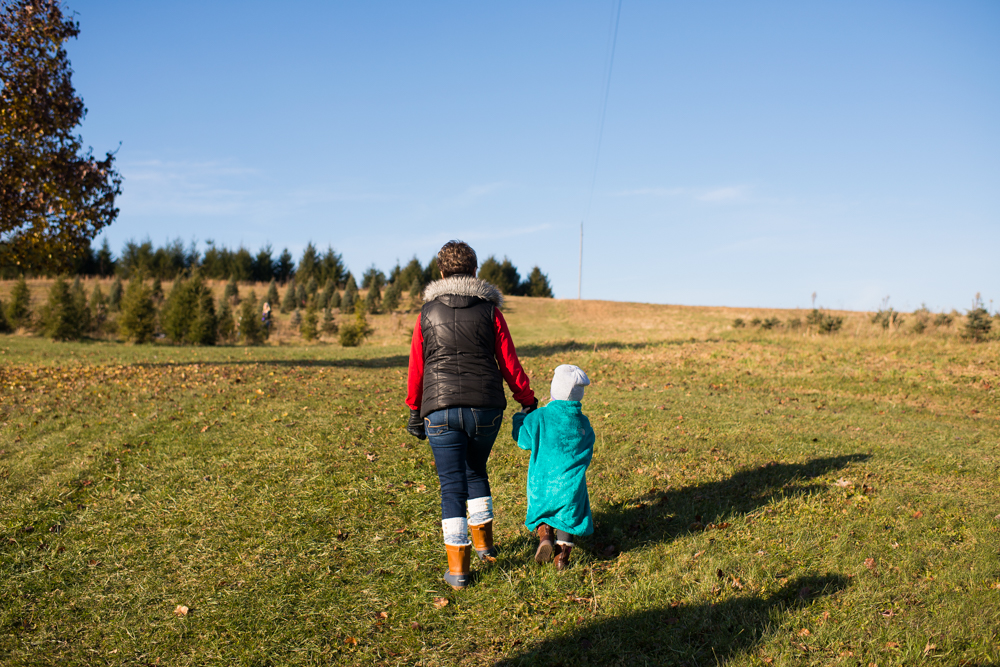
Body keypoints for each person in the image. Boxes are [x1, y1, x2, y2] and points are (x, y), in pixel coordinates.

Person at [405, 240, 537, 589]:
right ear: (475, 271)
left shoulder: (427, 314)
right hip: (486, 409)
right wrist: (526, 398)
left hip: (440, 411)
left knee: (452, 486)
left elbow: (416, 368)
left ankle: (459, 571)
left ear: (442, 272)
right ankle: (486, 548)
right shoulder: (491, 311)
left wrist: (414, 410)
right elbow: (509, 362)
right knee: (476, 469)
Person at [512, 364, 595, 571]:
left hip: (542, 482)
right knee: (568, 518)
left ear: (554, 390)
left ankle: (545, 537)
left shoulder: (539, 417)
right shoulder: (583, 424)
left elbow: (522, 440)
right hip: (571, 486)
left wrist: (520, 418)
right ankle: (561, 559)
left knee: (543, 510)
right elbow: (588, 448)